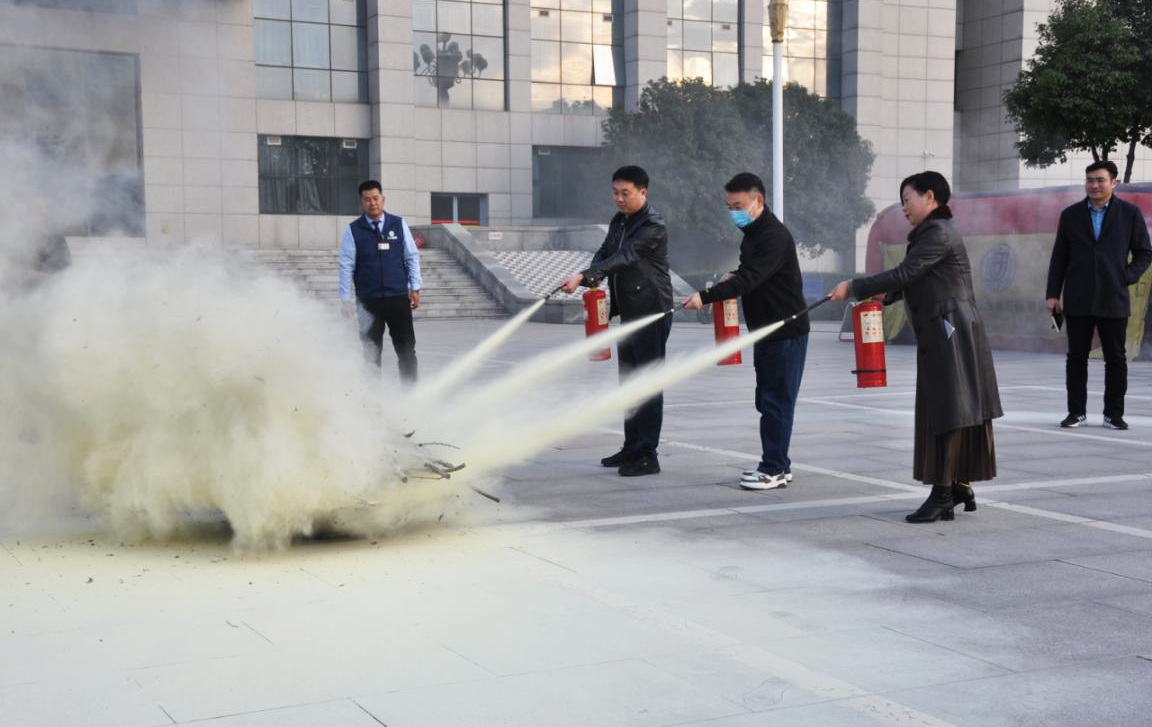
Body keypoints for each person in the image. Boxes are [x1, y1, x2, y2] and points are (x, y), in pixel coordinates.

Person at [830, 171, 1002, 523]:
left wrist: (854, 286)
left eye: (907, 199)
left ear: (929, 197)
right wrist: (885, 292)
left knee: (947, 408)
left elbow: (906, 273)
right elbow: (914, 278)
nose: (904, 207)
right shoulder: (932, 233)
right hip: (947, 328)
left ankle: (942, 493)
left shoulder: (937, 233)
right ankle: (957, 485)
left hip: (950, 330)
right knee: (954, 406)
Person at [683, 172, 809, 491]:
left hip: (784, 329)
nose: (733, 212)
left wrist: (707, 295)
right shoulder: (753, 233)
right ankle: (779, 463)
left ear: (758, 201)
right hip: (767, 330)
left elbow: (750, 280)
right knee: (768, 399)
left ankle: (774, 468)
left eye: (738, 205)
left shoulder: (772, 236)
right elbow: (748, 272)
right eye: (729, 206)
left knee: (776, 401)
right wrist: (732, 275)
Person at [558, 165, 673, 477]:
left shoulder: (653, 225)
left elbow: (625, 257)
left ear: (643, 193)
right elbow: (605, 252)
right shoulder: (620, 221)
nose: (619, 199)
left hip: (651, 311)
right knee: (629, 383)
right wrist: (589, 277)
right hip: (630, 310)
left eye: (626, 193)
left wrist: (586, 275)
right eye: (615, 192)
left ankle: (648, 454)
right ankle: (631, 446)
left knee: (647, 384)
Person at [1045, 160, 1152, 430]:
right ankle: (1076, 412)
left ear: (1114, 182)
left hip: (1113, 296)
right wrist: (1052, 294)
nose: (1094, 185)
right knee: (1076, 357)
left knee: (1115, 357)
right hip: (1078, 296)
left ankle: (1113, 414)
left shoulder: (1129, 213)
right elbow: (1060, 256)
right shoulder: (1070, 215)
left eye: (1100, 180)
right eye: (1090, 179)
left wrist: (1125, 277)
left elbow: (1145, 252)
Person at [339, 180, 422, 382]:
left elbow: (411, 256)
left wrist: (415, 287)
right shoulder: (353, 230)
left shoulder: (398, 224)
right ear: (362, 202)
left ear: (383, 200)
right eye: (367, 200)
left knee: (406, 351)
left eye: (376, 198)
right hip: (368, 302)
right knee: (370, 354)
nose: (372, 203)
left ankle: (410, 396)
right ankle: (373, 401)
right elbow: (346, 265)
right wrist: (345, 299)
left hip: (397, 298)